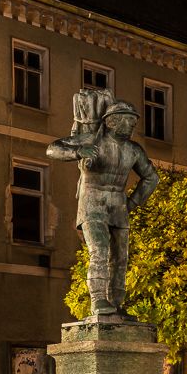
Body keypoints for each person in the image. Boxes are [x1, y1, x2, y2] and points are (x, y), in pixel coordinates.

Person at [47, 89, 158, 316]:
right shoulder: (92, 139)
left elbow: (151, 178)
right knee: (99, 250)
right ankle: (98, 299)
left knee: (121, 259)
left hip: (118, 206)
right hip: (92, 203)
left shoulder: (134, 150)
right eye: (126, 122)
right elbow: (53, 149)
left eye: (133, 123)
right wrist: (78, 151)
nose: (131, 127)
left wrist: (133, 202)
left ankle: (116, 303)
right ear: (111, 122)